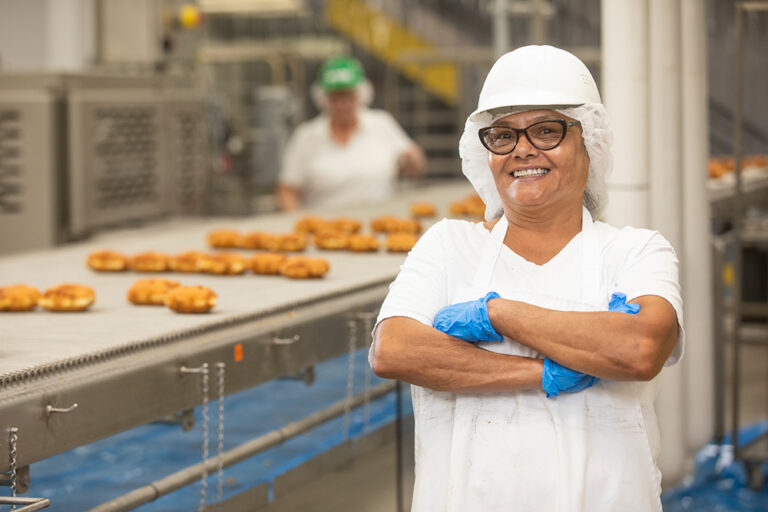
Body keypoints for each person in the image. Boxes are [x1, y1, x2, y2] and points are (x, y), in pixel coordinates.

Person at [370, 45, 684, 511]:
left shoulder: (635, 251)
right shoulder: (448, 245)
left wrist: (498, 314)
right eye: (503, 135)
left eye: (546, 131)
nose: (523, 150)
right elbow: (393, 349)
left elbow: (639, 348)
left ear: (588, 143)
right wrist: (544, 372)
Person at [276, 56, 425, 211]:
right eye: (335, 98)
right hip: (326, 227)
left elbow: (414, 168)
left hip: (380, 219)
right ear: (323, 99)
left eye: (348, 96)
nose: (342, 105)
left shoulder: (381, 123)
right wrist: (299, 223)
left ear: (361, 94)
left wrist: (413, 161)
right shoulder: (307, 136)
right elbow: (287, 192)